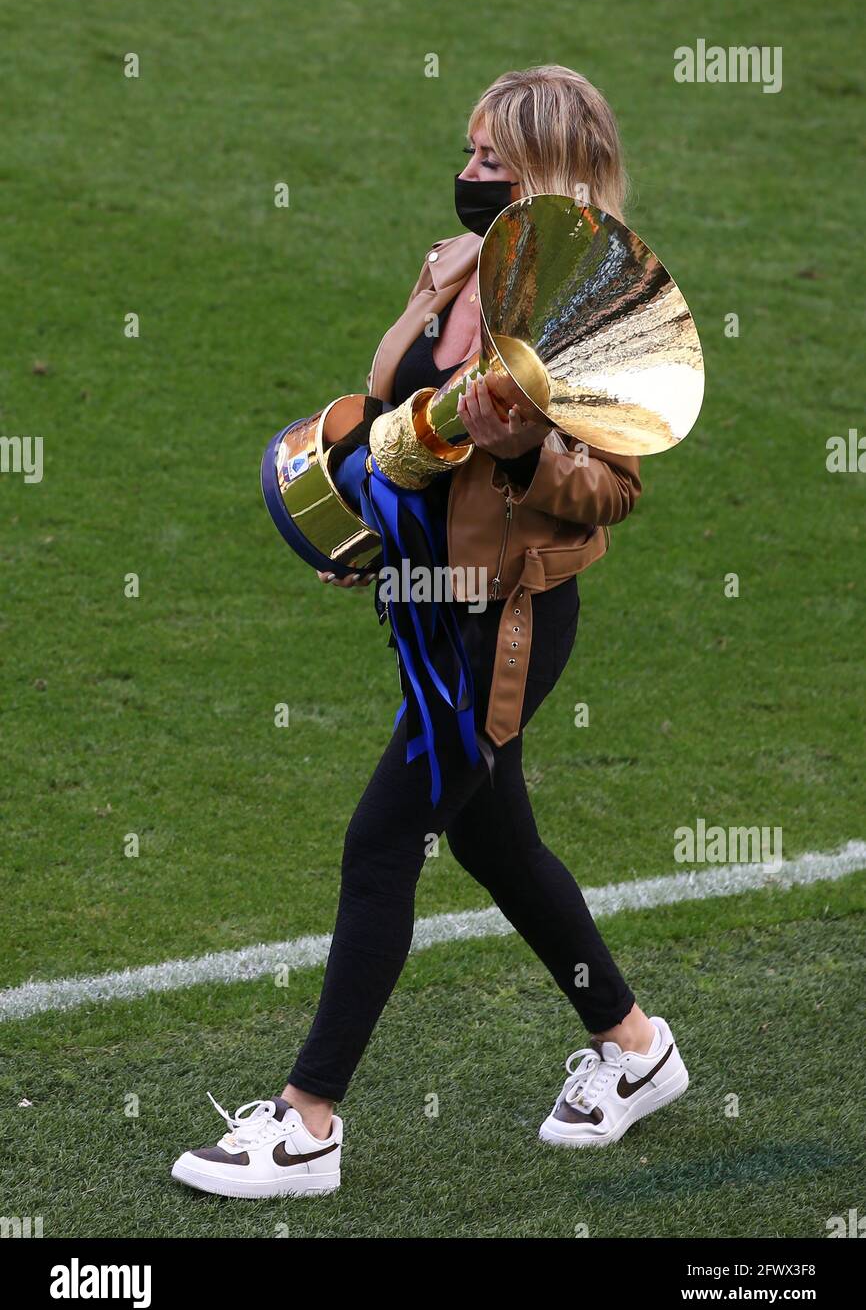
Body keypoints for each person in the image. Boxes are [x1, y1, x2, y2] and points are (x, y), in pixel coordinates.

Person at [171, 65, 688, 1201]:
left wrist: (521, 452)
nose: (464, 176)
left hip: (500, 625)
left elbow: (610, 490)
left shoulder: (594, 301)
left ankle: (307, 1124)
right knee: (488, 840)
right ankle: (635, 1047)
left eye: (490, 161)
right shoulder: (463, 261)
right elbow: (403, 403)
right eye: (465, 153)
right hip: (423, 601)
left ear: (551, 168)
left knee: (381, 840)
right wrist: (358, 505)